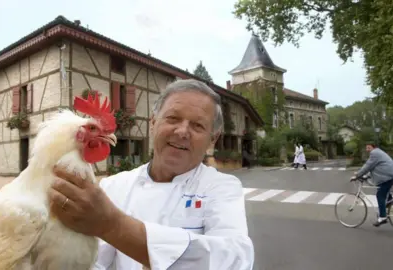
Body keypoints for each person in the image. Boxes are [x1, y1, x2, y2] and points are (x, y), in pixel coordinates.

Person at [48, 79, 255, 270]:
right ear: (153, 122)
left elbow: (234, 259)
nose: (182, 131)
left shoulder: (221, 187)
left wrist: (112, 225)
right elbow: (93, 262)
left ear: (213, 139)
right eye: (173, 118)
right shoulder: (114, 186)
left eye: (197, 125)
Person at [351, 142, 393, 227]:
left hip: (389, 177)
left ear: (373, 147)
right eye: (366, 148)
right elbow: (374, 168)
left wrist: (357, 175)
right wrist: (365, 176)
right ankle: (390, 201)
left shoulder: (374, 153)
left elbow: (368, 166)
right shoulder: (378, 153)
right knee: (382, 190)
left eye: (369, 148)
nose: (367, 150)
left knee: (380, 195)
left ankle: (383, 217)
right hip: (392, 175)